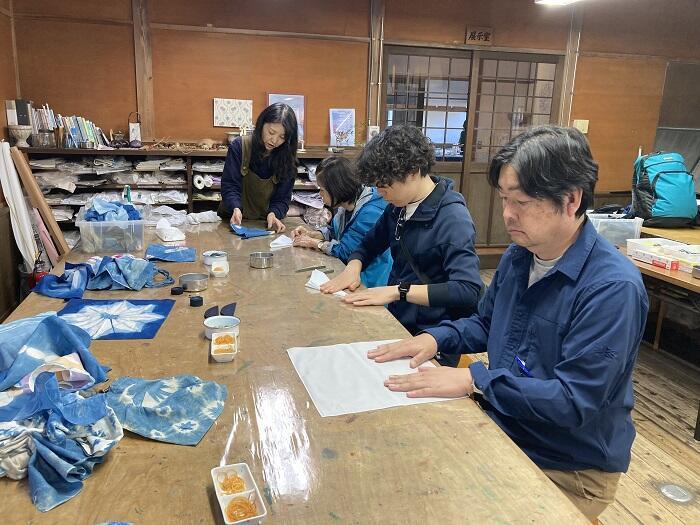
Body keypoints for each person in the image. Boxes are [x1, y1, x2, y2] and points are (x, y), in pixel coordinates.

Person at [367, 125, 649, 521]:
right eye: (503, 199)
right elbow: (485, 322)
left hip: (567, 464)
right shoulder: (522, 255)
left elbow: (573, 400)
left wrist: (474, 380)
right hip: (507, 424)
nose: (506, 215)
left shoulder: (611, 288)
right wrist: (434, 339)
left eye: (521, 201)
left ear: (570, 200)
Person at [320, 125, 482, 364]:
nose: (380, 192)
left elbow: (467, 290)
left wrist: (399, 291)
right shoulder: (398, 206)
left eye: (385, 186)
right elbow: (368, 244)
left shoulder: (452, 219)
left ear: (413, 171)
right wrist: (353, 267)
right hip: (399, 323)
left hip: (434, 337)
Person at [289, 156, 392, 288]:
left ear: (337, 189)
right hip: (351, 277)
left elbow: (347, 252)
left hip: (369, 284)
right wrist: (314, 234)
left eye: (322, 189)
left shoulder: (370, 213)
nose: (319, 194)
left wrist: (316, 244)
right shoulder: (345, 206)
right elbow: (336, 231)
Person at [218, 103, 298, 233]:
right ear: (261, 124)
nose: (274, 140)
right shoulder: (240, 147)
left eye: (282, 137)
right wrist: (235, 207)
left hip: (265, 224)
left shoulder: (287, 159)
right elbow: (230, 185)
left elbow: (283, 198)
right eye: (271, 132)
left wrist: (274, 213)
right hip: (234, 220)